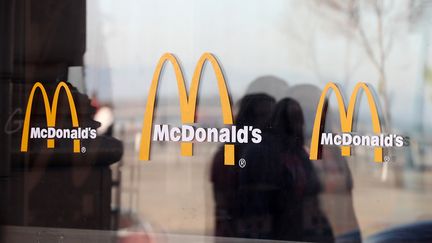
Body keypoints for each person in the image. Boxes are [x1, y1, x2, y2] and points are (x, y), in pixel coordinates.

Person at [238, 98, 334, 242]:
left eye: (299, 119)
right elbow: (255, 198)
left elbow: (313, 190)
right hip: (272, 232)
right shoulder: (260, 151)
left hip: (299, 231)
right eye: (292, 118)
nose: (298, 125)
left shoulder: (299, 153)